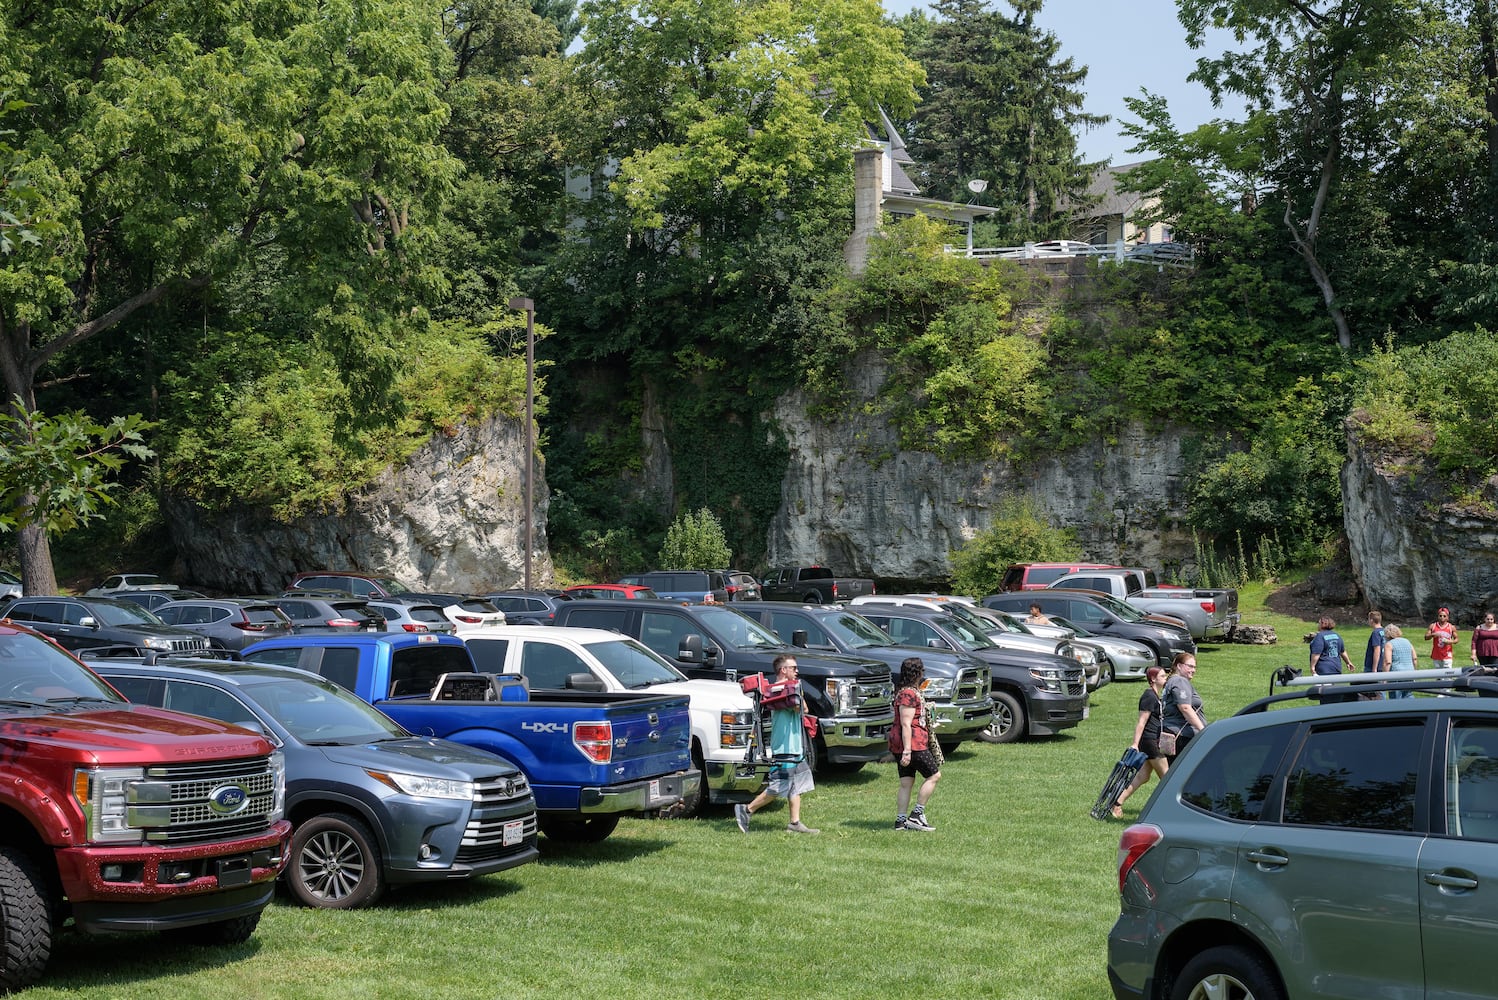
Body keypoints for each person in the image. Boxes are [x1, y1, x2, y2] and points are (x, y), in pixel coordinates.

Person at [735, 655, 819, 834]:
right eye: (793, 668)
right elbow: (799, 707)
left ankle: (794, 823)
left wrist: (798, 693)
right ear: (783, 670)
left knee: (797, 785)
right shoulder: (778, 691)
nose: (797, 671)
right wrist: (797, 693)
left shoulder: (792, 689)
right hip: (785, 747)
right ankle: (746, 810)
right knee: (777, 787)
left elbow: (804, 709)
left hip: (795, 746)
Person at [1111, 665, 1171, 818]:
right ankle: (1167, 812)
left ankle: (1116, 803)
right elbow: (1141, 722)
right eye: (1163, 676)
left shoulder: (1156, 696)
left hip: (1152, 740)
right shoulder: (1149, 696)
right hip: (1150, 741)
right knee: (1168, 778)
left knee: (1142, 776)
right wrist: (1135, 744)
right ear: (1153, 679)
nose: (1165, 678)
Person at [889, 656, 941, 831]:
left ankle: (901, 821)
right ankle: (917, 815)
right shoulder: (908, 694)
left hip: (904, 743)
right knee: (934, 775)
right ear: (918, 673)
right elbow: (906, 723)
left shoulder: (905, 691)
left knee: (907, 781)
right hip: (912, 744)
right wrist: (907, 751)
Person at [1161, 652, 1206, 755]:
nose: (1193, 670)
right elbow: (1185, 707)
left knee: (1171, 769)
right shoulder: (1179, 681)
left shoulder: (1170, 681)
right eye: (1190, 666)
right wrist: (1203, 730)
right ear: (1179, 666)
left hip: (1168, 733)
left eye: (1194, 667)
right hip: (1182, 736)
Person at [1310, 616, 1356, 703]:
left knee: (1326, 697)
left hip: (1324, 671)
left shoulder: (1320, 636)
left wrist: (1312, 667)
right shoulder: (1336, 635)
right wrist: (1348, 662)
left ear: (1323, 624)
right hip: (1336, 669)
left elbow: (1316, 654)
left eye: (1319, 623)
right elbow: (1342, 651)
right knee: (1336, 696)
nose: (1318, 625)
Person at [1383, 623, 1417, 698]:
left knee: (1396, 698)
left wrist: (1384, 678)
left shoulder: (1389, 644)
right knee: (1408, 695)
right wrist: (1414, 671)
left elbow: (1388, 662)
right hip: (1409, 673)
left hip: (1396, 675)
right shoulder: (1407, 641)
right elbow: (1414, 658)